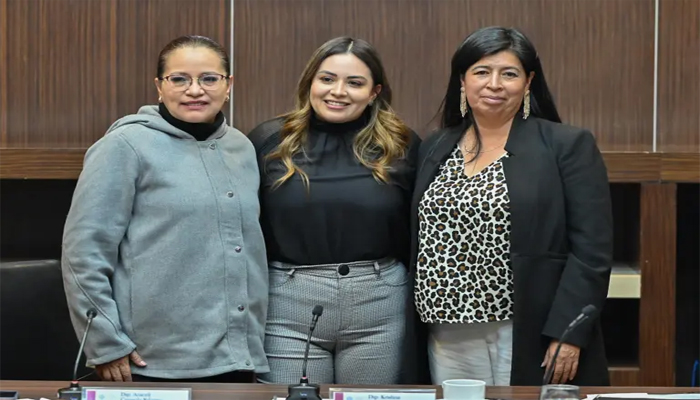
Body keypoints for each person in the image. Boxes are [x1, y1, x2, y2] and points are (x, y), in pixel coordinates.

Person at [411, 26, 612, 386]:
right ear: (462, 80)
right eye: (481, 72)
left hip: (526, 327)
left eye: (509, 74)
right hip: (446, 328)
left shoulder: (566, 145)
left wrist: (569, 331)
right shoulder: (434, 147)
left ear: (528, 81)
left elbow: (592, 250)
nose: (494, 84)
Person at [61, 35, 269, 383]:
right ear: (159, 86)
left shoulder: (241, 148)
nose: (194, 90)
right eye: (179, 79)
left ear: (228, 85)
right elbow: (83, 254)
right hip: (149, 362)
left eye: (209, 78)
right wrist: (105, 342)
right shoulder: (124, 146)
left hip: (237, 358)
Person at [247, 36, 420, 385]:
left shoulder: (402, 144)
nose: (338, 91)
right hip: (288, 305)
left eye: (354, 83)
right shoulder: (269, 140)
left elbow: (417, 229)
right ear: (310, 82)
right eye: (327, 79)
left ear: (374, 92)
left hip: (379, 305)